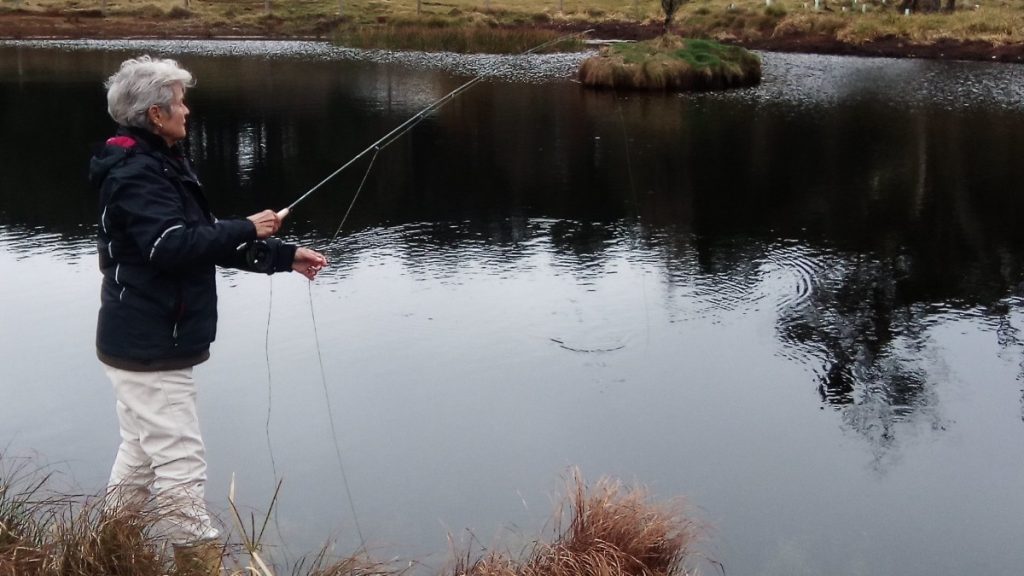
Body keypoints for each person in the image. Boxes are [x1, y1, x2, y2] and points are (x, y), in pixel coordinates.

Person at [89, 55, 327, 574]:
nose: (188, 110)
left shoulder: (158, 161)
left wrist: (283, 256)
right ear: (156, 113)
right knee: (180, 464)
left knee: (141, 455)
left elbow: (198, 240)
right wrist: (247, 226)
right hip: (150, 348)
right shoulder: (136, 171)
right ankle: (199, 565)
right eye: (179, 101)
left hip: (141, 341)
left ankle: (107, 551)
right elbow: (168, 247)